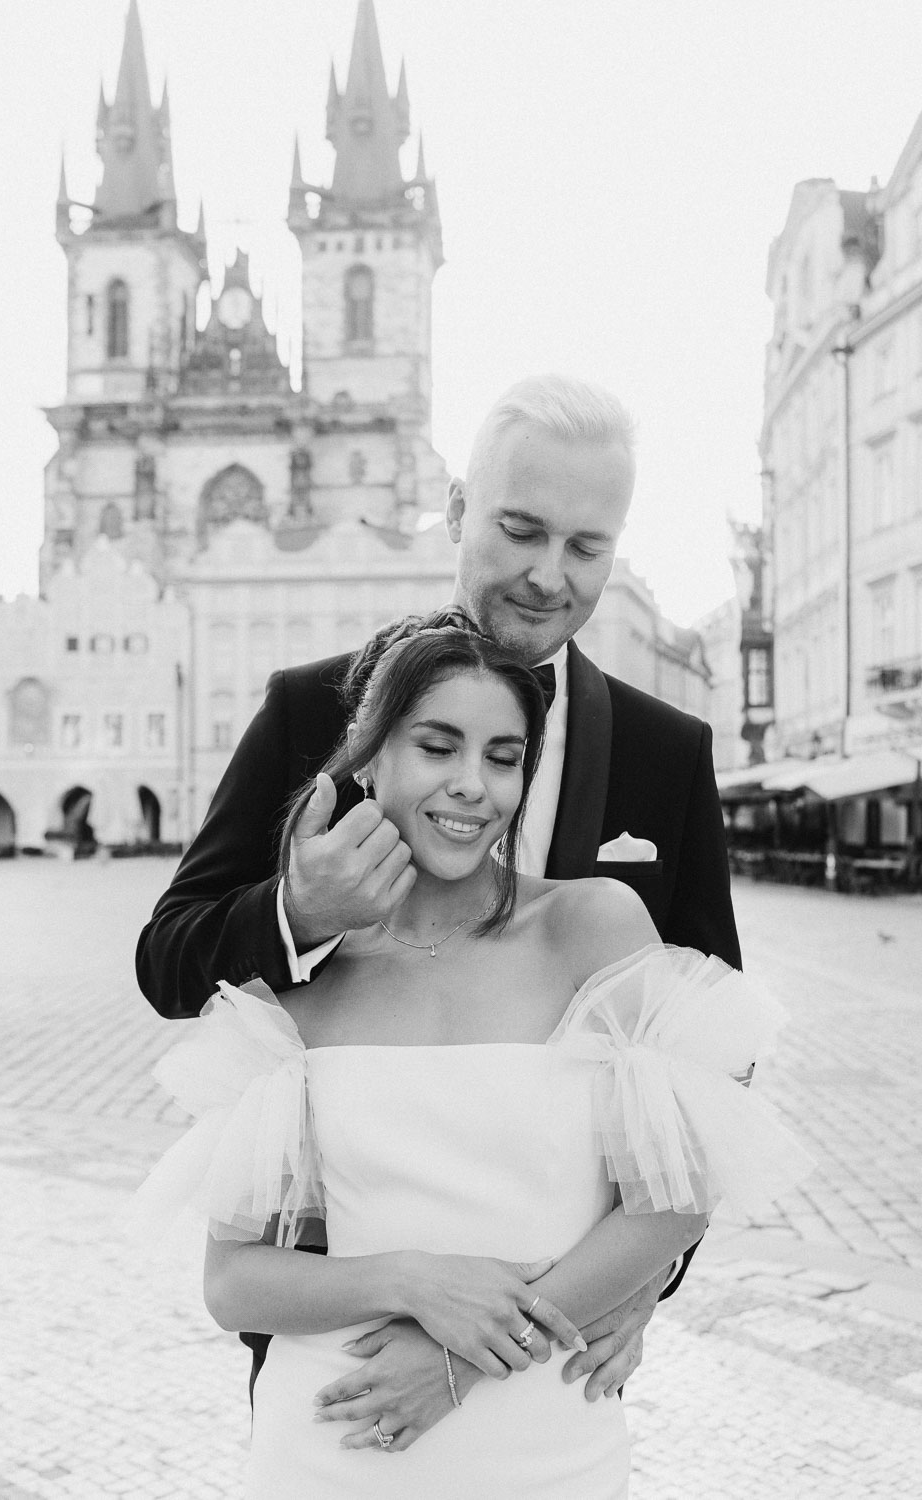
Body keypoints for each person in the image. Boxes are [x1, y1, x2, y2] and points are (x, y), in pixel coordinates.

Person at [136, 373, 741, 1399]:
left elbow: (716, 1052)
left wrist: (640, 1282)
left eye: (586, 548)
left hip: (559, 1346)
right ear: (457, 510)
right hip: (343, 1347)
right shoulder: (308, 709)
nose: (549, 576)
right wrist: (298, 914)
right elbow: (168, 958)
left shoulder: (662, 751)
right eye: (519, 530)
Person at [136, 622, 810, 1495]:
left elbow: (674, 1200)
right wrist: (409, 1281)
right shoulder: (302, 975)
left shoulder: (592, 927)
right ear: (368, 760)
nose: (472, 785)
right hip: (335, 1439)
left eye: (503, 756)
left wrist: (463, 1362)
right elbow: (233, 1282)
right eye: (436, 745)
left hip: (545, 1439)